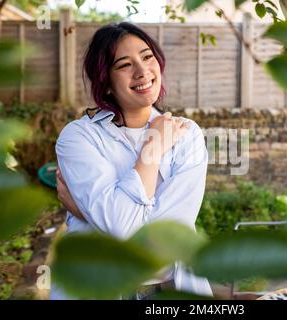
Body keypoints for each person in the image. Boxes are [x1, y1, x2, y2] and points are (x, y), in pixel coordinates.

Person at [50, 22, 212, 300]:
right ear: (106, 82)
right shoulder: (79, 137)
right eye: (125, 65)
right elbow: (125, 229)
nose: (142, 71)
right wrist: (154, 147)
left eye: (147, 57)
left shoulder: (187, 134)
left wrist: (88, 214)